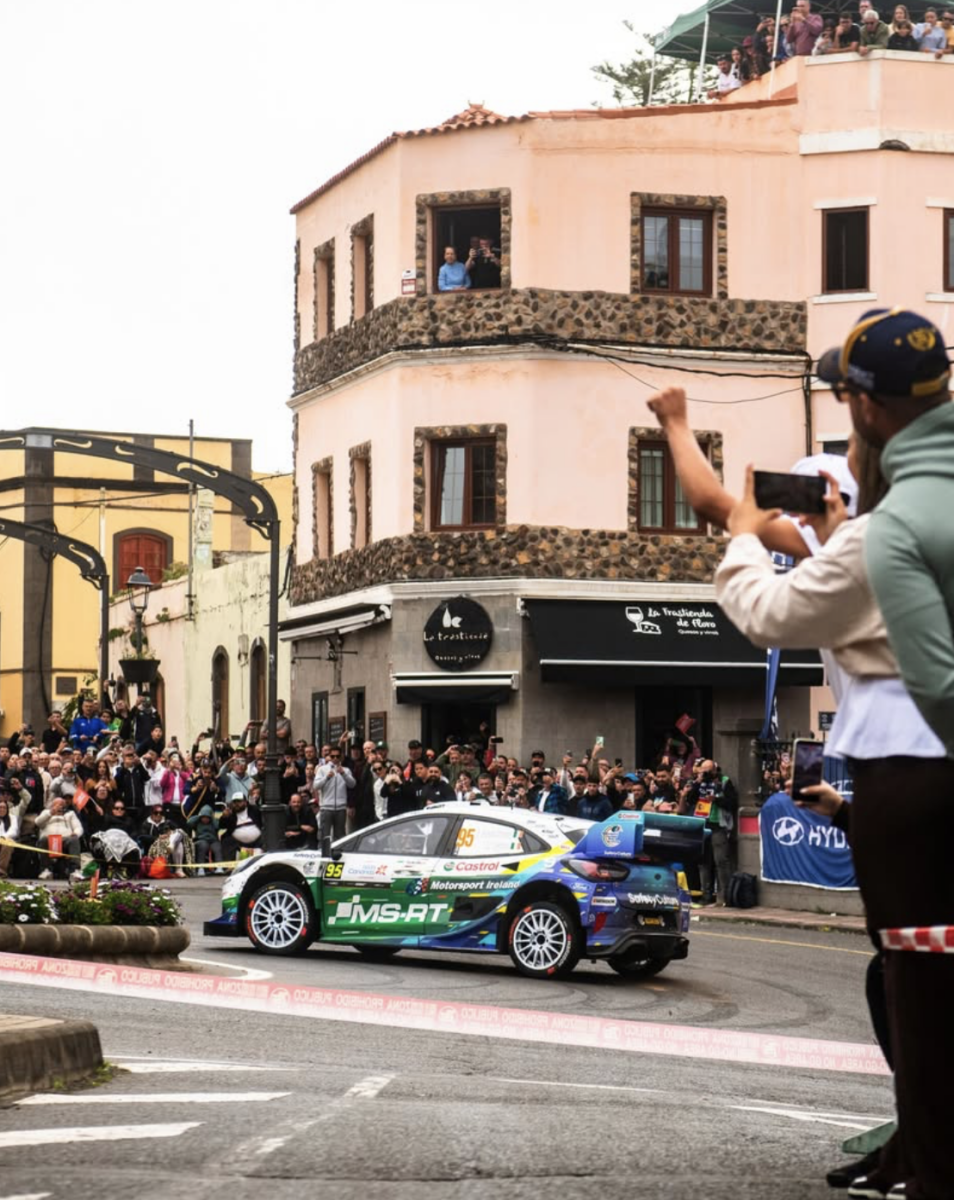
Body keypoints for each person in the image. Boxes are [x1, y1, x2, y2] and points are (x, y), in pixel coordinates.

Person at [313, 745, 355, 842]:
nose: (335, 759)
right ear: (329, 757)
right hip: (326, 807)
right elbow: (315, 786)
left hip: (340, 807)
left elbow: (352, 784)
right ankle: (323, 851)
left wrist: (343, 774)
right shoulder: (322, 769)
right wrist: (326, 778)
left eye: (337, 756)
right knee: (325, 835)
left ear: (341, 756)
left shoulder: (346, 770)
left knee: (340, 836)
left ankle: (338, 851)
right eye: (332, 756)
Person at [35, 797, 84, 880]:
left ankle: (75, 870)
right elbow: (37, 822)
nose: (59, 807)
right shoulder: (46, 812)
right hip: (48, 839)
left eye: (61, 805)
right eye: (56, 805)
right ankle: (46, 870)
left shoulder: (70, 814)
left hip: (65, 839)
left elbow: (78, 827)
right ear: (52, 806)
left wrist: (76, 833)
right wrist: (50, 813)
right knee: (43, 840)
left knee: (74, 840)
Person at [218, 794, 263, 860]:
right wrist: (224, 817)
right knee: (227, 841)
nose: (236, 804)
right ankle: (230, 864)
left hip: (256, 839)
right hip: (237, 841)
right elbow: (221, 826)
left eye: (239, 801)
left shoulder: (254, 810)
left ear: (245, 802)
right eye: (234, 802)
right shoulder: (230, 813)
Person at [187, 804, 223, 873]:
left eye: (207, 817)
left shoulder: (213, 822)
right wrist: (198, 816)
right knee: (202, 847)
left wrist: (212, 818)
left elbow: (217, 826)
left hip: (213, 840)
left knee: (217, 848)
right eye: (203, 817)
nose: (205, 819)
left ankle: (219, 867)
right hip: (201, 839)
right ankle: (201, 868)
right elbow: (189, 822)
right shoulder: (197, 822)